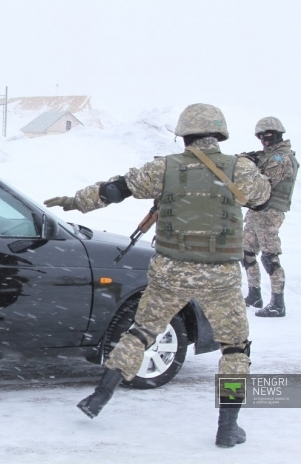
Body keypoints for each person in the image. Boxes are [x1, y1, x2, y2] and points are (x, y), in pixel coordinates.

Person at [44, 103, 270, 448]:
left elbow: (115, 189)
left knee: (141, 332)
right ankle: (228, 426)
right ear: (219, 134)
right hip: (219, 274)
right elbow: (263, 199)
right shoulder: (239, 168)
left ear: (184, 135)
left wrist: (75, 201)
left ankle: (100, 396)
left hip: (171, 270)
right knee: (235, 348)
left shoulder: (165, 168)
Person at [242, 117, 298, 317]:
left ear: (277, 134)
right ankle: (255, 294)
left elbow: (264, 185)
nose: (264, 140)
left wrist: (250, 169)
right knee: (246, 253)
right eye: (261, 137)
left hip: (270, 212)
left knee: (269, 257)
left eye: (268, 136)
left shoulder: (280, 158)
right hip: (257, 211)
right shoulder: (269, 156)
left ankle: (278, 303)